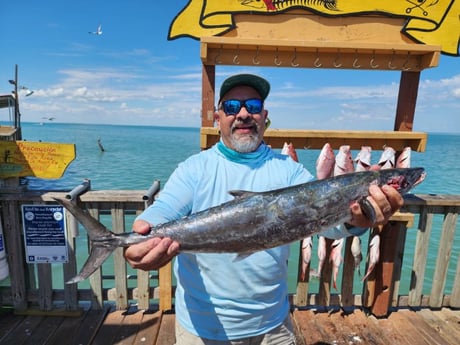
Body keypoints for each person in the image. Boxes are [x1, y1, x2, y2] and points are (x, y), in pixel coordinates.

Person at [124, 74, 403, 344]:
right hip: (202, 327)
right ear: (218, 117)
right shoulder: (194, 169)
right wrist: (143, 234)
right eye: (232, 107)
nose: (244, 114)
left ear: (264, 117)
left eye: (253, 106)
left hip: (272, 325)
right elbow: (164, 209)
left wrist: (357, 220)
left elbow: (327, 224)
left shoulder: (291, 172)